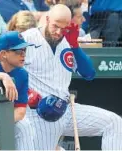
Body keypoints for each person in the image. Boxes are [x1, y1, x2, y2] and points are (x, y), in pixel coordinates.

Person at [22, 4, 122, 150]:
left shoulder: (67, 41)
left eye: (63, 28)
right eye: (55, 26)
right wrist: (26, 92)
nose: (58, 32)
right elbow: (5, 66)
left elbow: (89, 74)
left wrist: (75, 46)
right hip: (38, 114)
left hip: (66, 110)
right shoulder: (27, 38)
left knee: (114, 122)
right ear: (47, 19)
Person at [0, 31, 35, 150]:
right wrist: (3, 76)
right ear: (3, 54)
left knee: (24, 126)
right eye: (18, 51)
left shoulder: (22, 74)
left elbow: (20, 110)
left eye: (25, 50)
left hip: (1, 118)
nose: (23, 54)